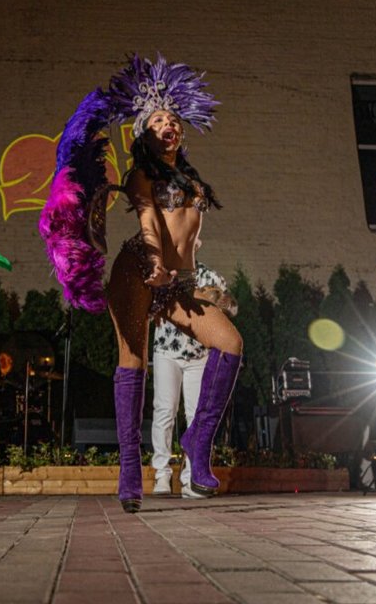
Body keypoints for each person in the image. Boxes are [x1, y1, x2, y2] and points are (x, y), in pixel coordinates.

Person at [41, 54, 244, 513]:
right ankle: (131, 471)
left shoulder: (189, 178)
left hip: (177, 282)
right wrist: (154, 260)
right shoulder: (140, 175)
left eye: (173, 120)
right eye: (157, 120)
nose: (168, 124)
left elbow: (186, 239)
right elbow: (150, 221)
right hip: (137, 268)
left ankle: (197, 443)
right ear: (143, 134)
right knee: (133, 361)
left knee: (230, 344)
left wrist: (190, 280)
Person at [150, 262, 237, 497]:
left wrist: (224, 304)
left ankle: (191, 476)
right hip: (166, 351)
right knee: (164, 411)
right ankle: (161, 474)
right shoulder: (165, 271)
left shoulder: (210, 275)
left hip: (199, 354)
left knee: (196, 414)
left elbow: (231, 308)